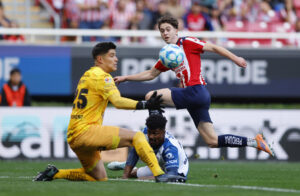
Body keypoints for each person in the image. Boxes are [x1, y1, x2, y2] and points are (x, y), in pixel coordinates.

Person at [114, 15, 275, 157]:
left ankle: (155, 142)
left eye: (168, 29)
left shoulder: (187, 42)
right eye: (162, 31)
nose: (165, 33)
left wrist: (235, 58)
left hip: (195, 91)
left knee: (151, 96)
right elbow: (151, 73)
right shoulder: (168, 53)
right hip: (197, 96)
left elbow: (213, 47)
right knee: (212, 141)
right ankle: (254, 142)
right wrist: (125, 77)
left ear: (177, 30)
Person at [33, 42, 182, 183]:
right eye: (111, 55)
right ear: (100, 59)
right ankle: (160, 174)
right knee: (136, 137)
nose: (116, 59)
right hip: (86, 132)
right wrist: (145, 104)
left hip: (74, 136)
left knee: (99, 177)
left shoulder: (88, 74)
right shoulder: (102, 76)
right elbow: (117, 102)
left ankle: (56, 173)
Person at [107, 114, 188, 182]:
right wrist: (125, 176)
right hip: (159, 164)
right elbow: (134, 152)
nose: (151, 136)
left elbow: (171, 176)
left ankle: (133, 168)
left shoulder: (170, 147)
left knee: (168, 180)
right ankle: (127, 166)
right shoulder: (145, 132)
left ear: (163, 131)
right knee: (131, 174)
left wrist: (142, 179)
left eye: (155, 133)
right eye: (149, 132)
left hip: (176, 171)